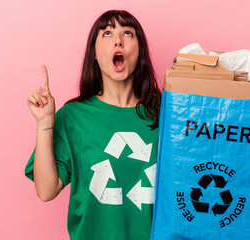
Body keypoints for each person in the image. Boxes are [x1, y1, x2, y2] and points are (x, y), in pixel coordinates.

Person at [25, 10, 161, 240]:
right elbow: (46, 191)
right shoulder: (73, 117)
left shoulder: (166, 115)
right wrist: (46, 122)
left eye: (127, 33)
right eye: (107, 33)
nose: (118, 39)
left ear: (140, 51)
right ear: (95, 54)